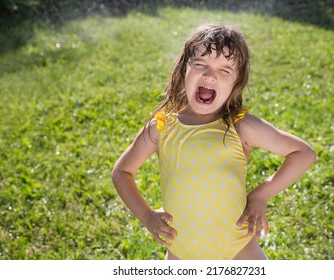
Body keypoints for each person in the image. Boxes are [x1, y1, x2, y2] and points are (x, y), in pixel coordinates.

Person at [111, 24, 316, 260]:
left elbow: (303, 153)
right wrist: (147, 216)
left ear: (236, 84)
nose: (210, 75)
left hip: (239, 250)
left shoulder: (240, 126)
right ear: (183, 70)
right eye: (200, 65)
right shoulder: (161, 127)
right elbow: (122, 171)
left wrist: (261, 195)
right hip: (181, 254)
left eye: (225, 70)